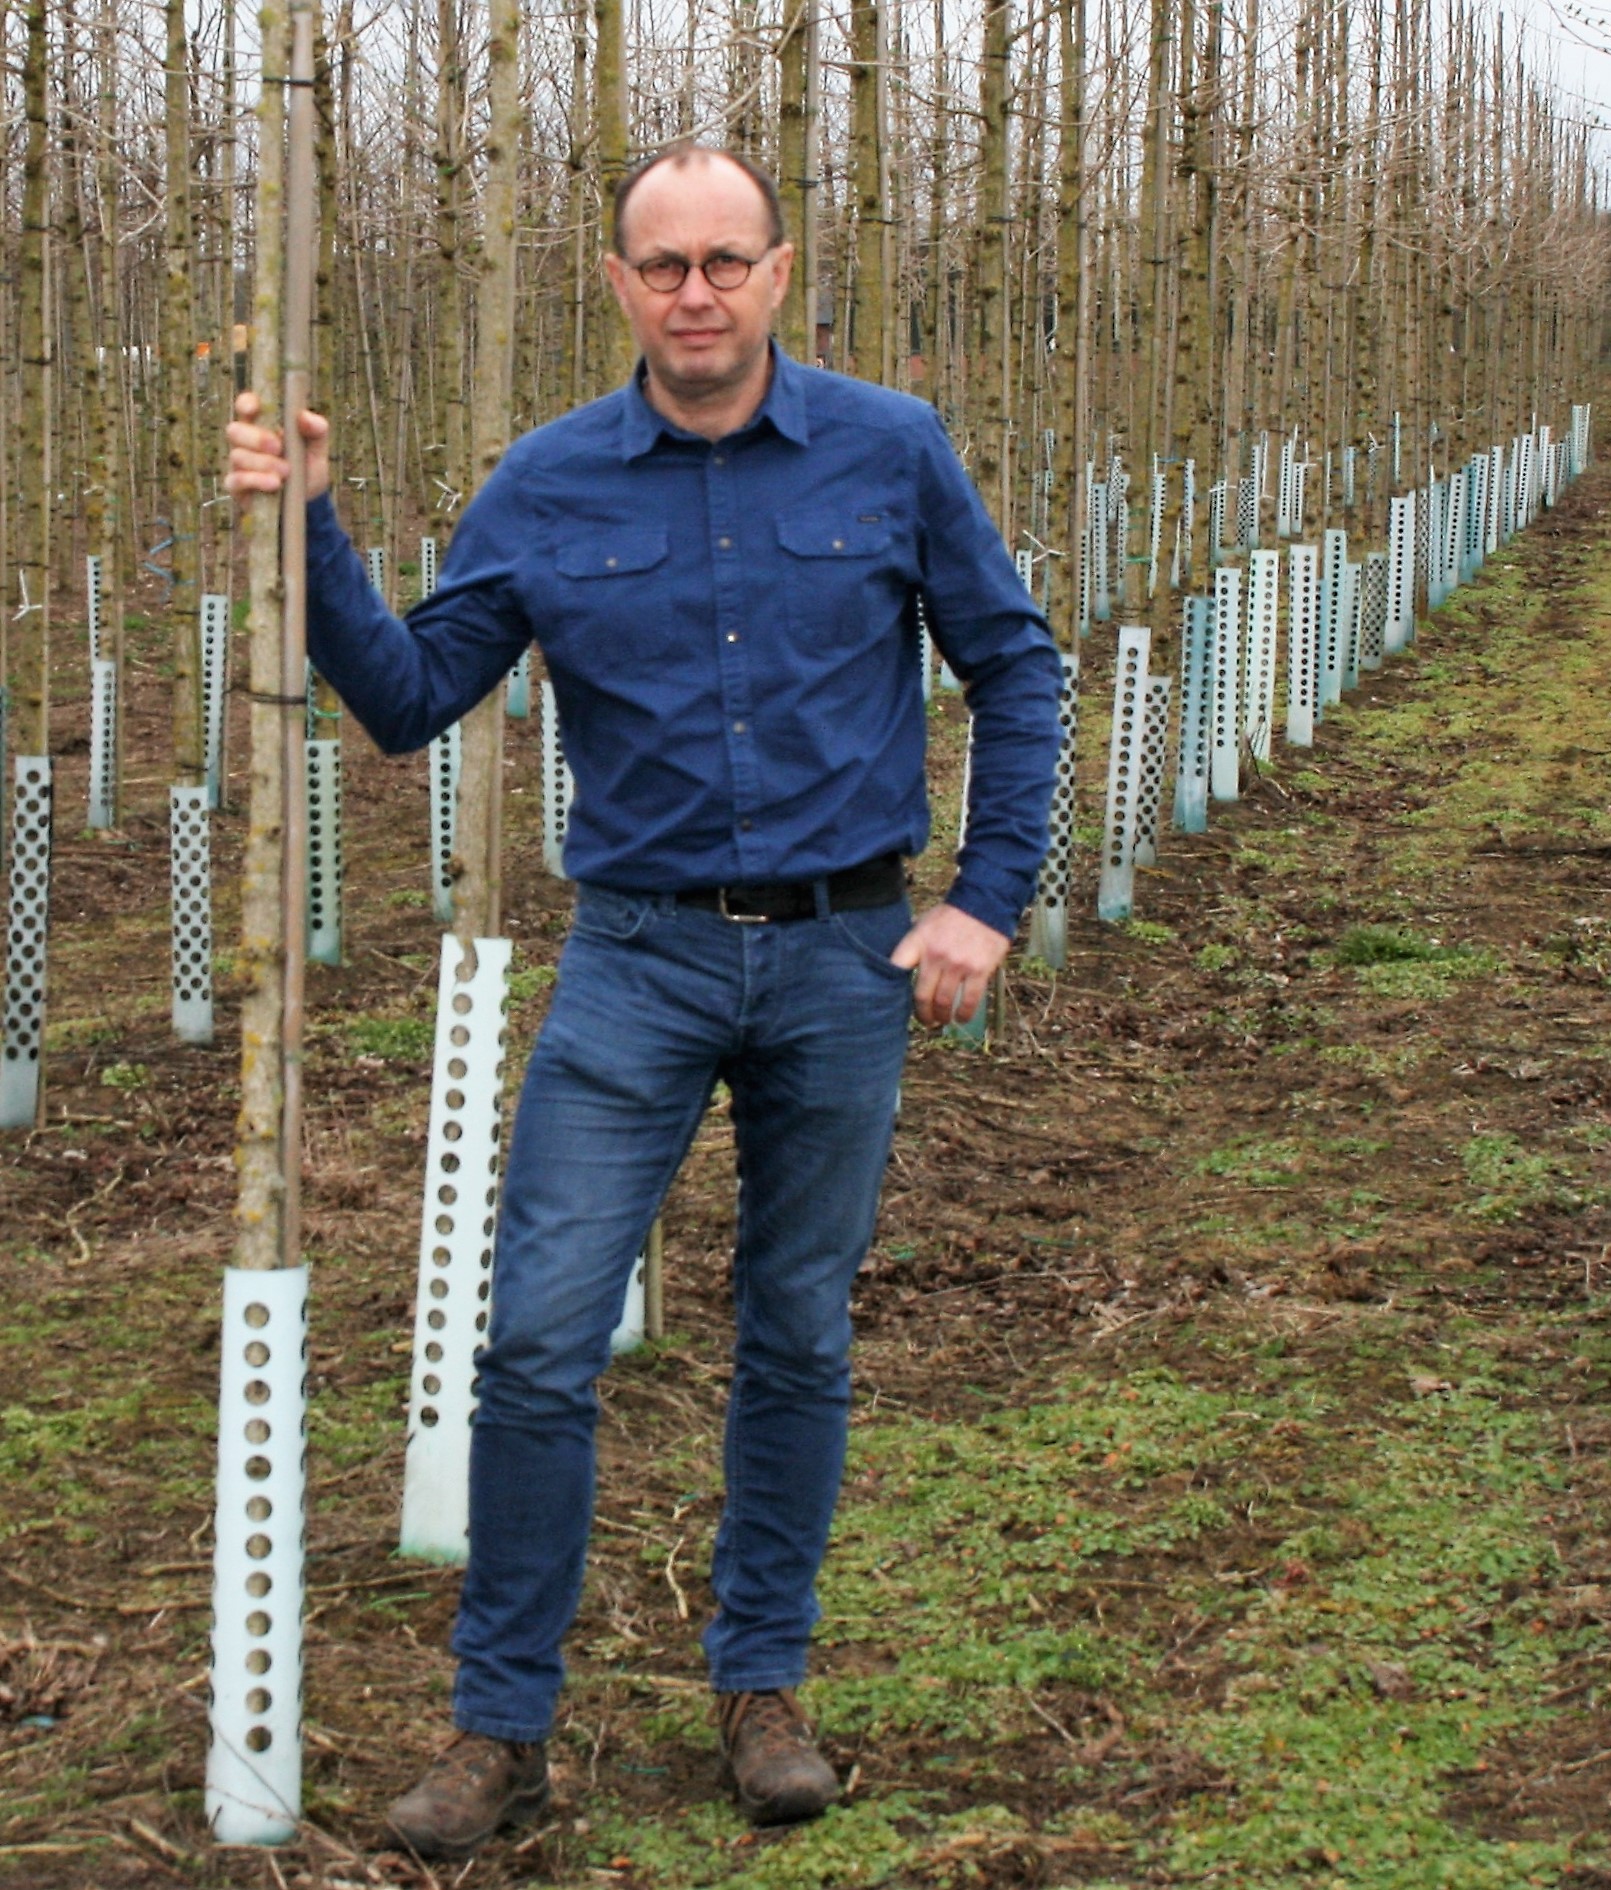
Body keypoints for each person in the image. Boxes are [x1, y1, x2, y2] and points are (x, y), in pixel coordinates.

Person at [227, 141, 1062, 1863]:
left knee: (797, 1329)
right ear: (615, 284)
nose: (697, 291)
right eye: (663, 263)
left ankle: (761, 1687)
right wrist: (305, 522)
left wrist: (985, 897)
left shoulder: (891, 449)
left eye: (726, 260)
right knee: (534, 1336)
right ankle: (501, 1728)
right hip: (639, 956)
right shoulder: (541, 485)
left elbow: (1018, 662)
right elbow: (405, 698)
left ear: (778, 271)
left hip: (843, 956)